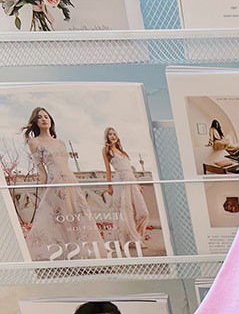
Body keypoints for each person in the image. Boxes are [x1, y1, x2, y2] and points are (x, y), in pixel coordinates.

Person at [22, 107, 106, 261]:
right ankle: (66, 255)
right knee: (60, 220)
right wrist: (43, 192)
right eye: (39, 117)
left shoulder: (60, 142)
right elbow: (41, 171)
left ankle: (83, 255)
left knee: (78, 217)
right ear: (35, 122)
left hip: (72, 183)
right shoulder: (34, 142)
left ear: (51, 120)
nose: (43, 119)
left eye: (46, 116)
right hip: (55, 185)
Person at [102, 126, 149, 250]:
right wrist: (109, 186)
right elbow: (108, 170)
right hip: (120, 181)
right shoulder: (106, 150)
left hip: (131, 180)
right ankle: (132, 240)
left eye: (114, 134)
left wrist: (137, 184)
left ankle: (136, 236)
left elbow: (129, 170)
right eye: (110, 134)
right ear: (107, 137)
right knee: (125, 212)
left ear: (117, 137)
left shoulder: (122, 152)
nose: (113, 136)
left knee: (143, 212)